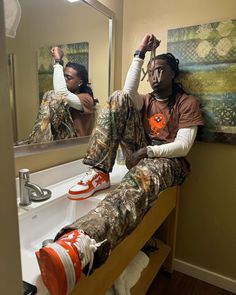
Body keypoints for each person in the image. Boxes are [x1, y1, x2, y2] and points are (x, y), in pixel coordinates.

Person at [36, 34, 204, 295]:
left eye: (161, 70)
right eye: (151, 71)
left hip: (168, 162)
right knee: (118, 96)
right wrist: (140, 54)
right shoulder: (146, 100)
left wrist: (147, 151)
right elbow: (126, 96)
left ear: (173, 73)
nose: (156, 76)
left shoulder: (186, 102)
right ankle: (100, 170)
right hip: (139, 152)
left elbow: (183, 147)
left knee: (141, 178)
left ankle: (81, 244)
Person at [28, 47, 96, 143]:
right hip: (57, 144)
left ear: (80, 82)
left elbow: (61, 94)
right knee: (50, 95)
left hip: (75, 146)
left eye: (68, 77)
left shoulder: (86, 99)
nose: (64, 79)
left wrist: (58, 61)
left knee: (52, 95)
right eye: (63, 75)